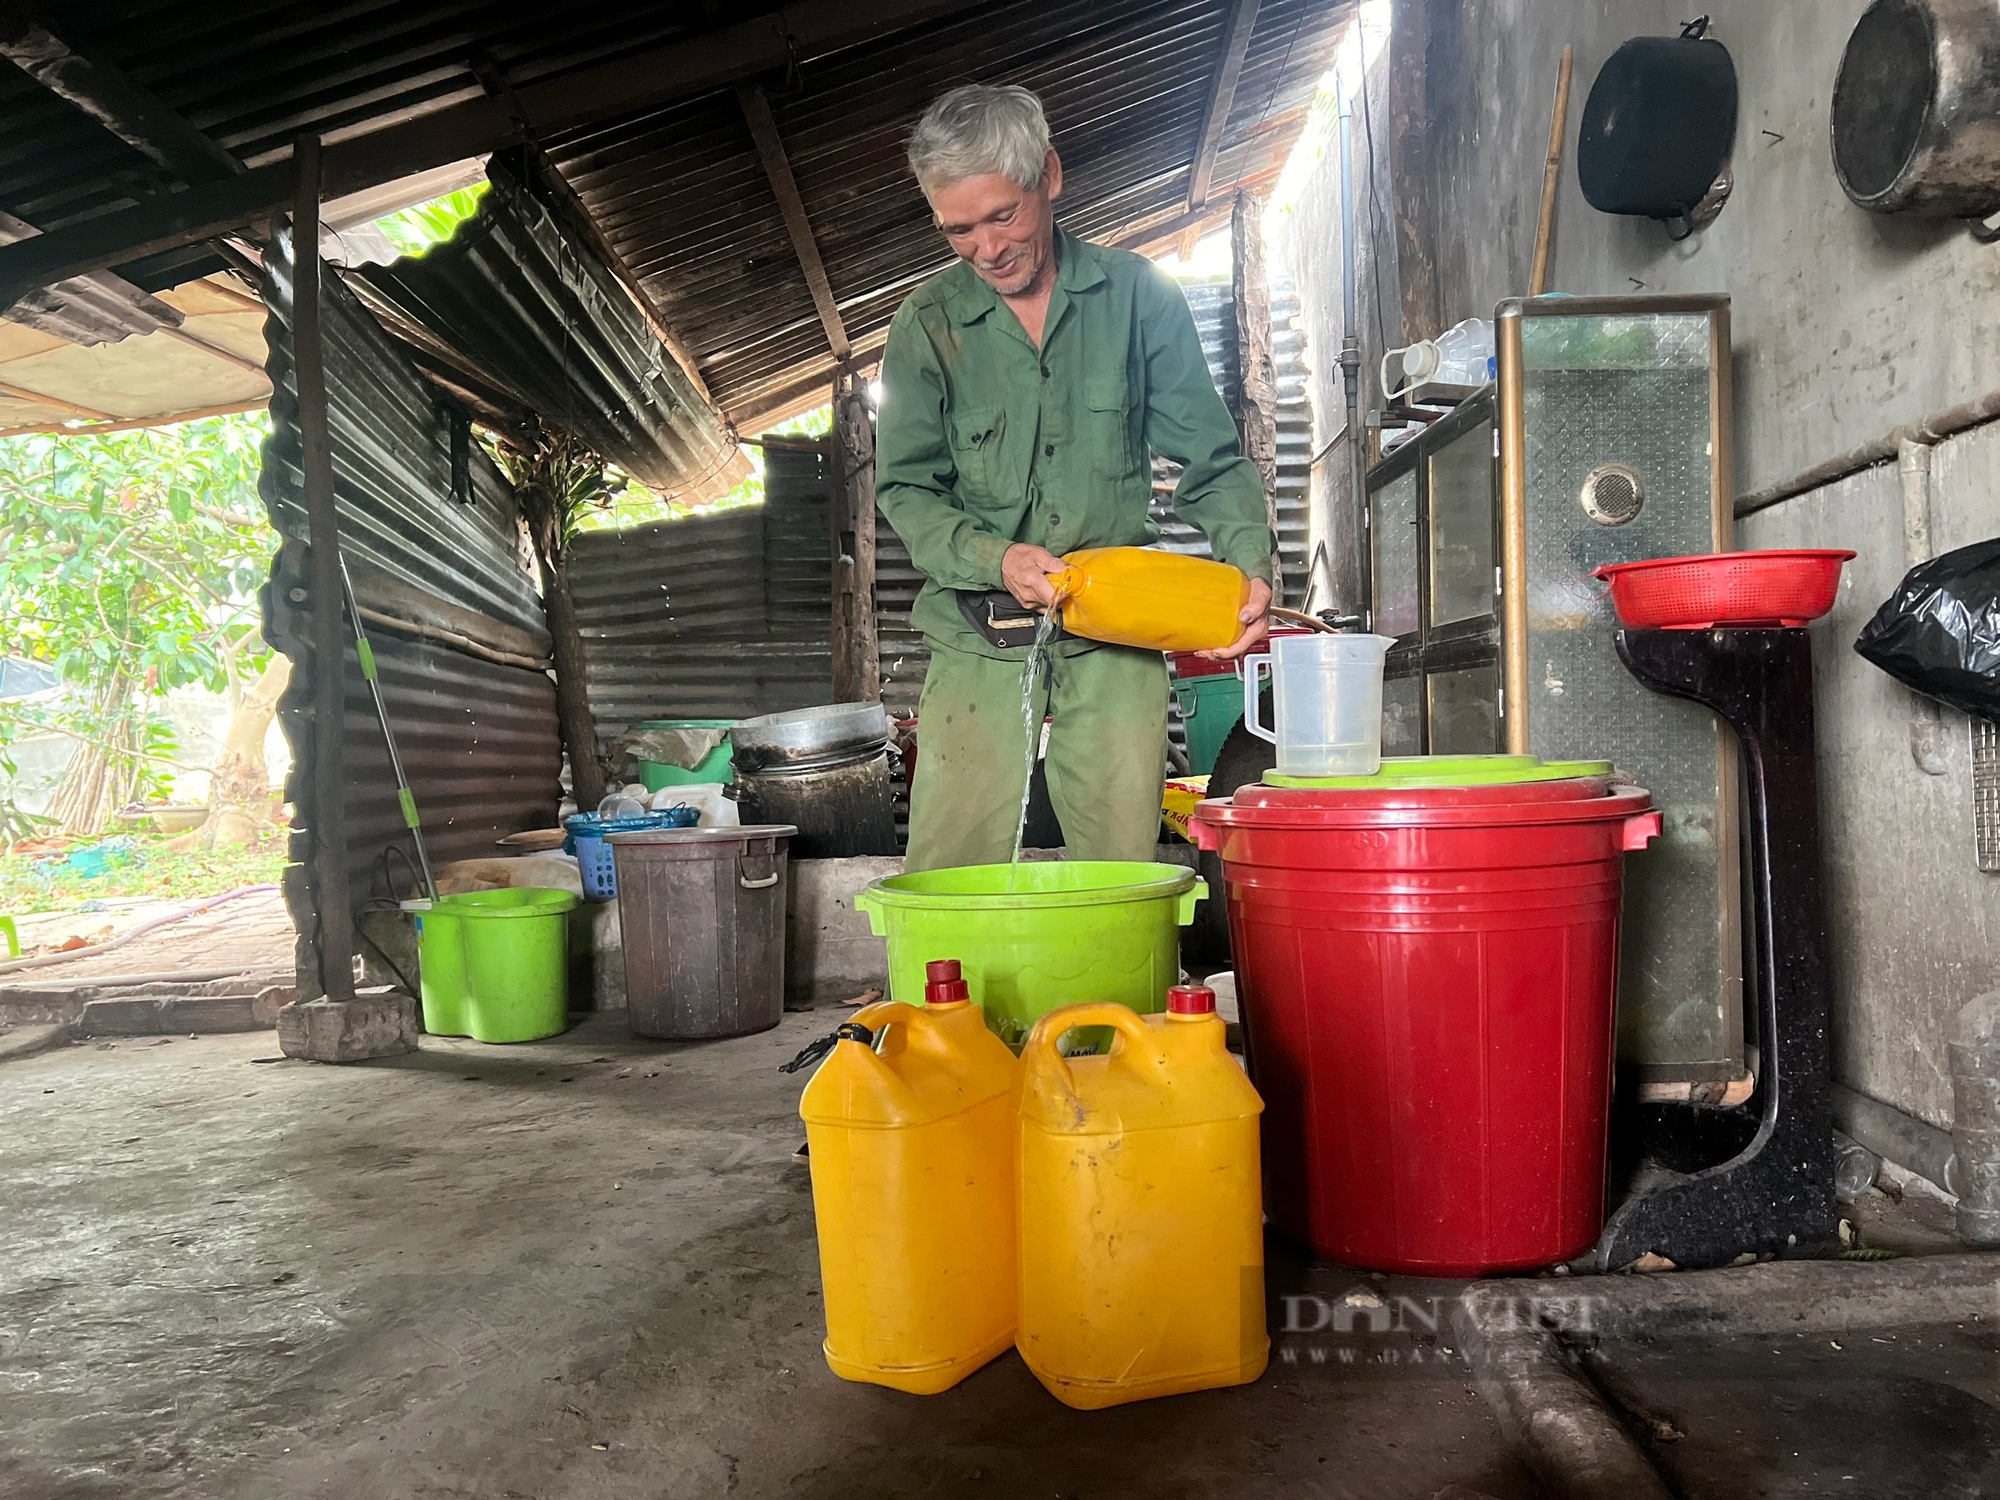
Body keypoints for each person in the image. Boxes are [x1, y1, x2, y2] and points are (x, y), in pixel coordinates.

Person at [876, 83, 1274, 873]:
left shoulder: (1138, 298)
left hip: (1116, 636)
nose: (986, 249)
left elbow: (1211, 454)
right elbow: (906, 489)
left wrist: (1251, 564)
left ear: (1049, 176)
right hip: (977, 629)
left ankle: (1108, 1001)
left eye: (1003, 216)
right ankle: (939, 1002)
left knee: (1121, 871)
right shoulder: (927, 326)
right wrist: (998, 558)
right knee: (949, 872)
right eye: (958, 230)